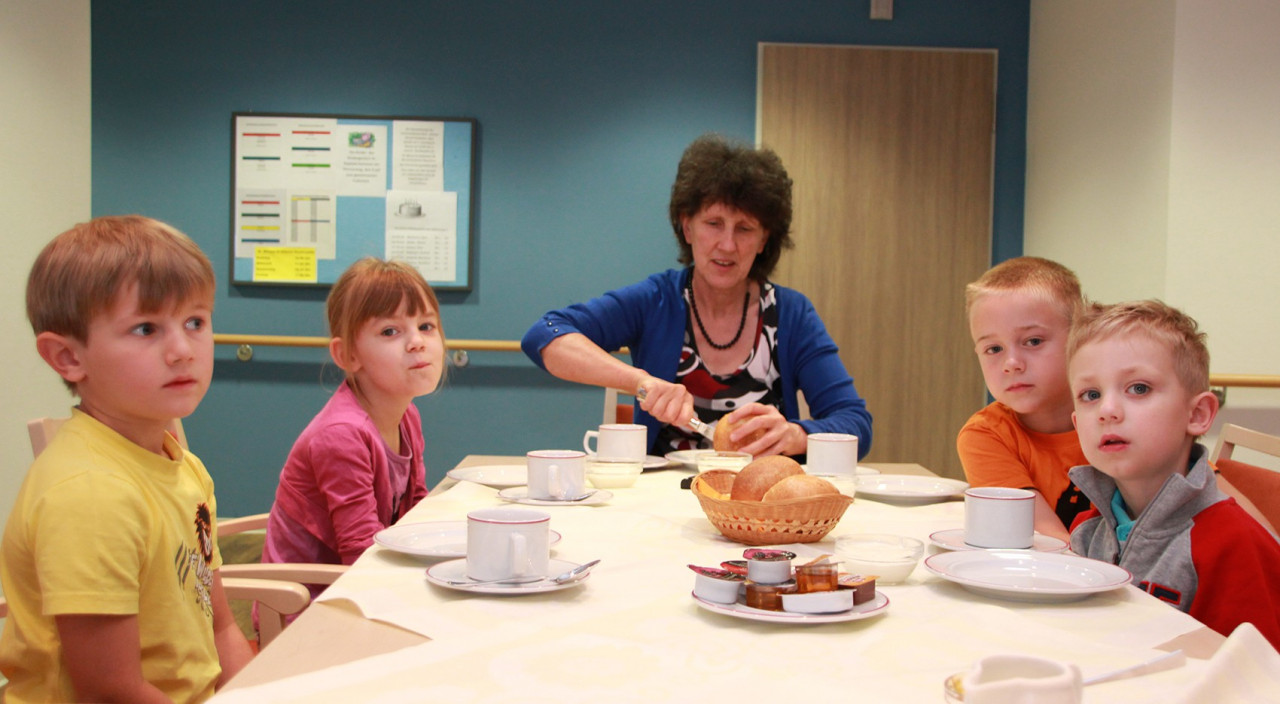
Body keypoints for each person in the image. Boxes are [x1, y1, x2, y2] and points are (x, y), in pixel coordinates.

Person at [0, 215, 254, 702]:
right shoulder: (90, 494)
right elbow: (110, 691)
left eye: (195, 322)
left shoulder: (184, 466)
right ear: (68, 358)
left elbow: (220, 627)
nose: (183, 350)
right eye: (145, 328)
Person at [521, 134, 872, 458]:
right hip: (663, 504)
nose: (728, 245)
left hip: (761, 507)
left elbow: (856, 423)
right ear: (687, 226)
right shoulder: (655, 300)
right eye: (714, 223)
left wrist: (797, 434)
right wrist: (641, 383)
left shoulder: (792, 314)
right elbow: (545, 335)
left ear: (764, 240)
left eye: (745, 228)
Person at [1067, 300, 1280, 648]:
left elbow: (1257, 680)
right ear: (1076, 424)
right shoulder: (1087, 531)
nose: (1107, 410)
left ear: (1197, 414)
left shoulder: (1234, 546)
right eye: (1090, 394)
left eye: (1139, 388)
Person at [262, 258, 443, 584]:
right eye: (390, 331)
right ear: (347, 356)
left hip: (364, 584)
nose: (417, 341)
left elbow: (415, 510)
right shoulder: (342, 435)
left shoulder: (407, 415)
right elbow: (360, 554)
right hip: (308, 609)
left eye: (426, 326)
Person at [956, 257, 1091, 543]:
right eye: (993, 348)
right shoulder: (987, 435)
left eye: (1033, 341)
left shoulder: (1117, 416)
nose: (1012, 363)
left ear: (1079, 337)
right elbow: (1051, 543)